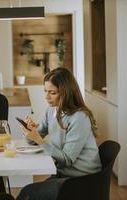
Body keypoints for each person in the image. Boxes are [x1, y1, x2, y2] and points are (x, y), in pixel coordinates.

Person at [17, 68, 102, 200]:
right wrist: (30, 132)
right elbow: (33, 140)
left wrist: (39, 140)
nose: (46, 97)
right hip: (63, 174)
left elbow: (67, 159)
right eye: (45, 91)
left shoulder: (79, 118)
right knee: (27, 193)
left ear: (66, 93)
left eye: (52, 93)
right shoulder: (51, 111)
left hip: (82, 180)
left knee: (28, 194)